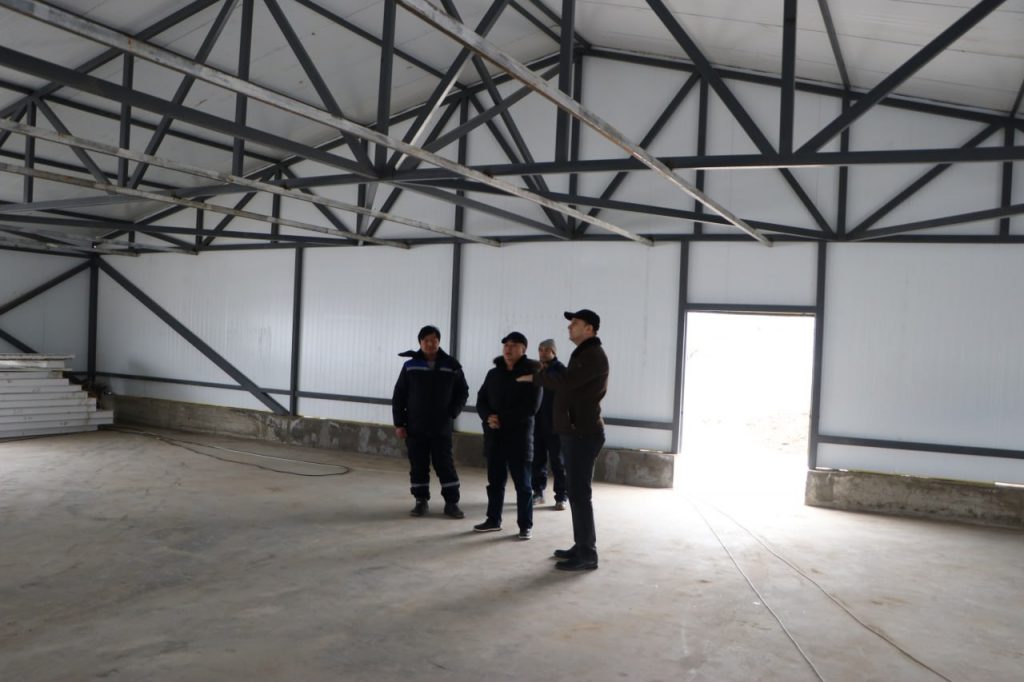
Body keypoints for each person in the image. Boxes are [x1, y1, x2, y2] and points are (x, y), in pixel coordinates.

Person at [517, 309, 607, 571]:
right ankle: (582, 546)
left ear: (589, 329)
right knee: (577, 493)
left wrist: (535, 377)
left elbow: (567, 382)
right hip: (575, 431)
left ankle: (588, 553)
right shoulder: (583, 353)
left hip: (583, 433)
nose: (569, 327)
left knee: (579, 494)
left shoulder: (592, 355)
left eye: (575, 323)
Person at [392, 325, 469, 519]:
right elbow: (399, 395)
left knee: (445, 464)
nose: (430, 344)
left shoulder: (451, 365)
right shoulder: (410, 366)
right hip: (415, 426)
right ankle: (420, 501)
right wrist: (399, 423)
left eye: (434, 340)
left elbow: (463, 391)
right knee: (418, 465)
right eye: (426, 340)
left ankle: (451, 503)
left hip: (441, 426)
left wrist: (453, 412)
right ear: (420, 343)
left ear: (439, 342)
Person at [473, 331, 543, 540]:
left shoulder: (532, 374)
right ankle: (493, 520)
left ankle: (525, 525)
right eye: (506, 345)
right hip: (495, 437)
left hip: (519, 438)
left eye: (513, 345)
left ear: (523, 349)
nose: (508, 348)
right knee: (495, 482)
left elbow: (531, 407)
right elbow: (481, 400)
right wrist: (488, 417)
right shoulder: (494, 374)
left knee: (523, 485)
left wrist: (502, 419)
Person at [531, 339, 568, 511]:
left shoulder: (561, 370)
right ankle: (538, 492)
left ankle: (561, 496)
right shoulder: (536, 369)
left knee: (558, 463)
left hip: (555, 425)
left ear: (554, 352)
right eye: (540, 349)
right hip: (537, 423)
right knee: (537, 461)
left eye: (547, 350)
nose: (543, 353)